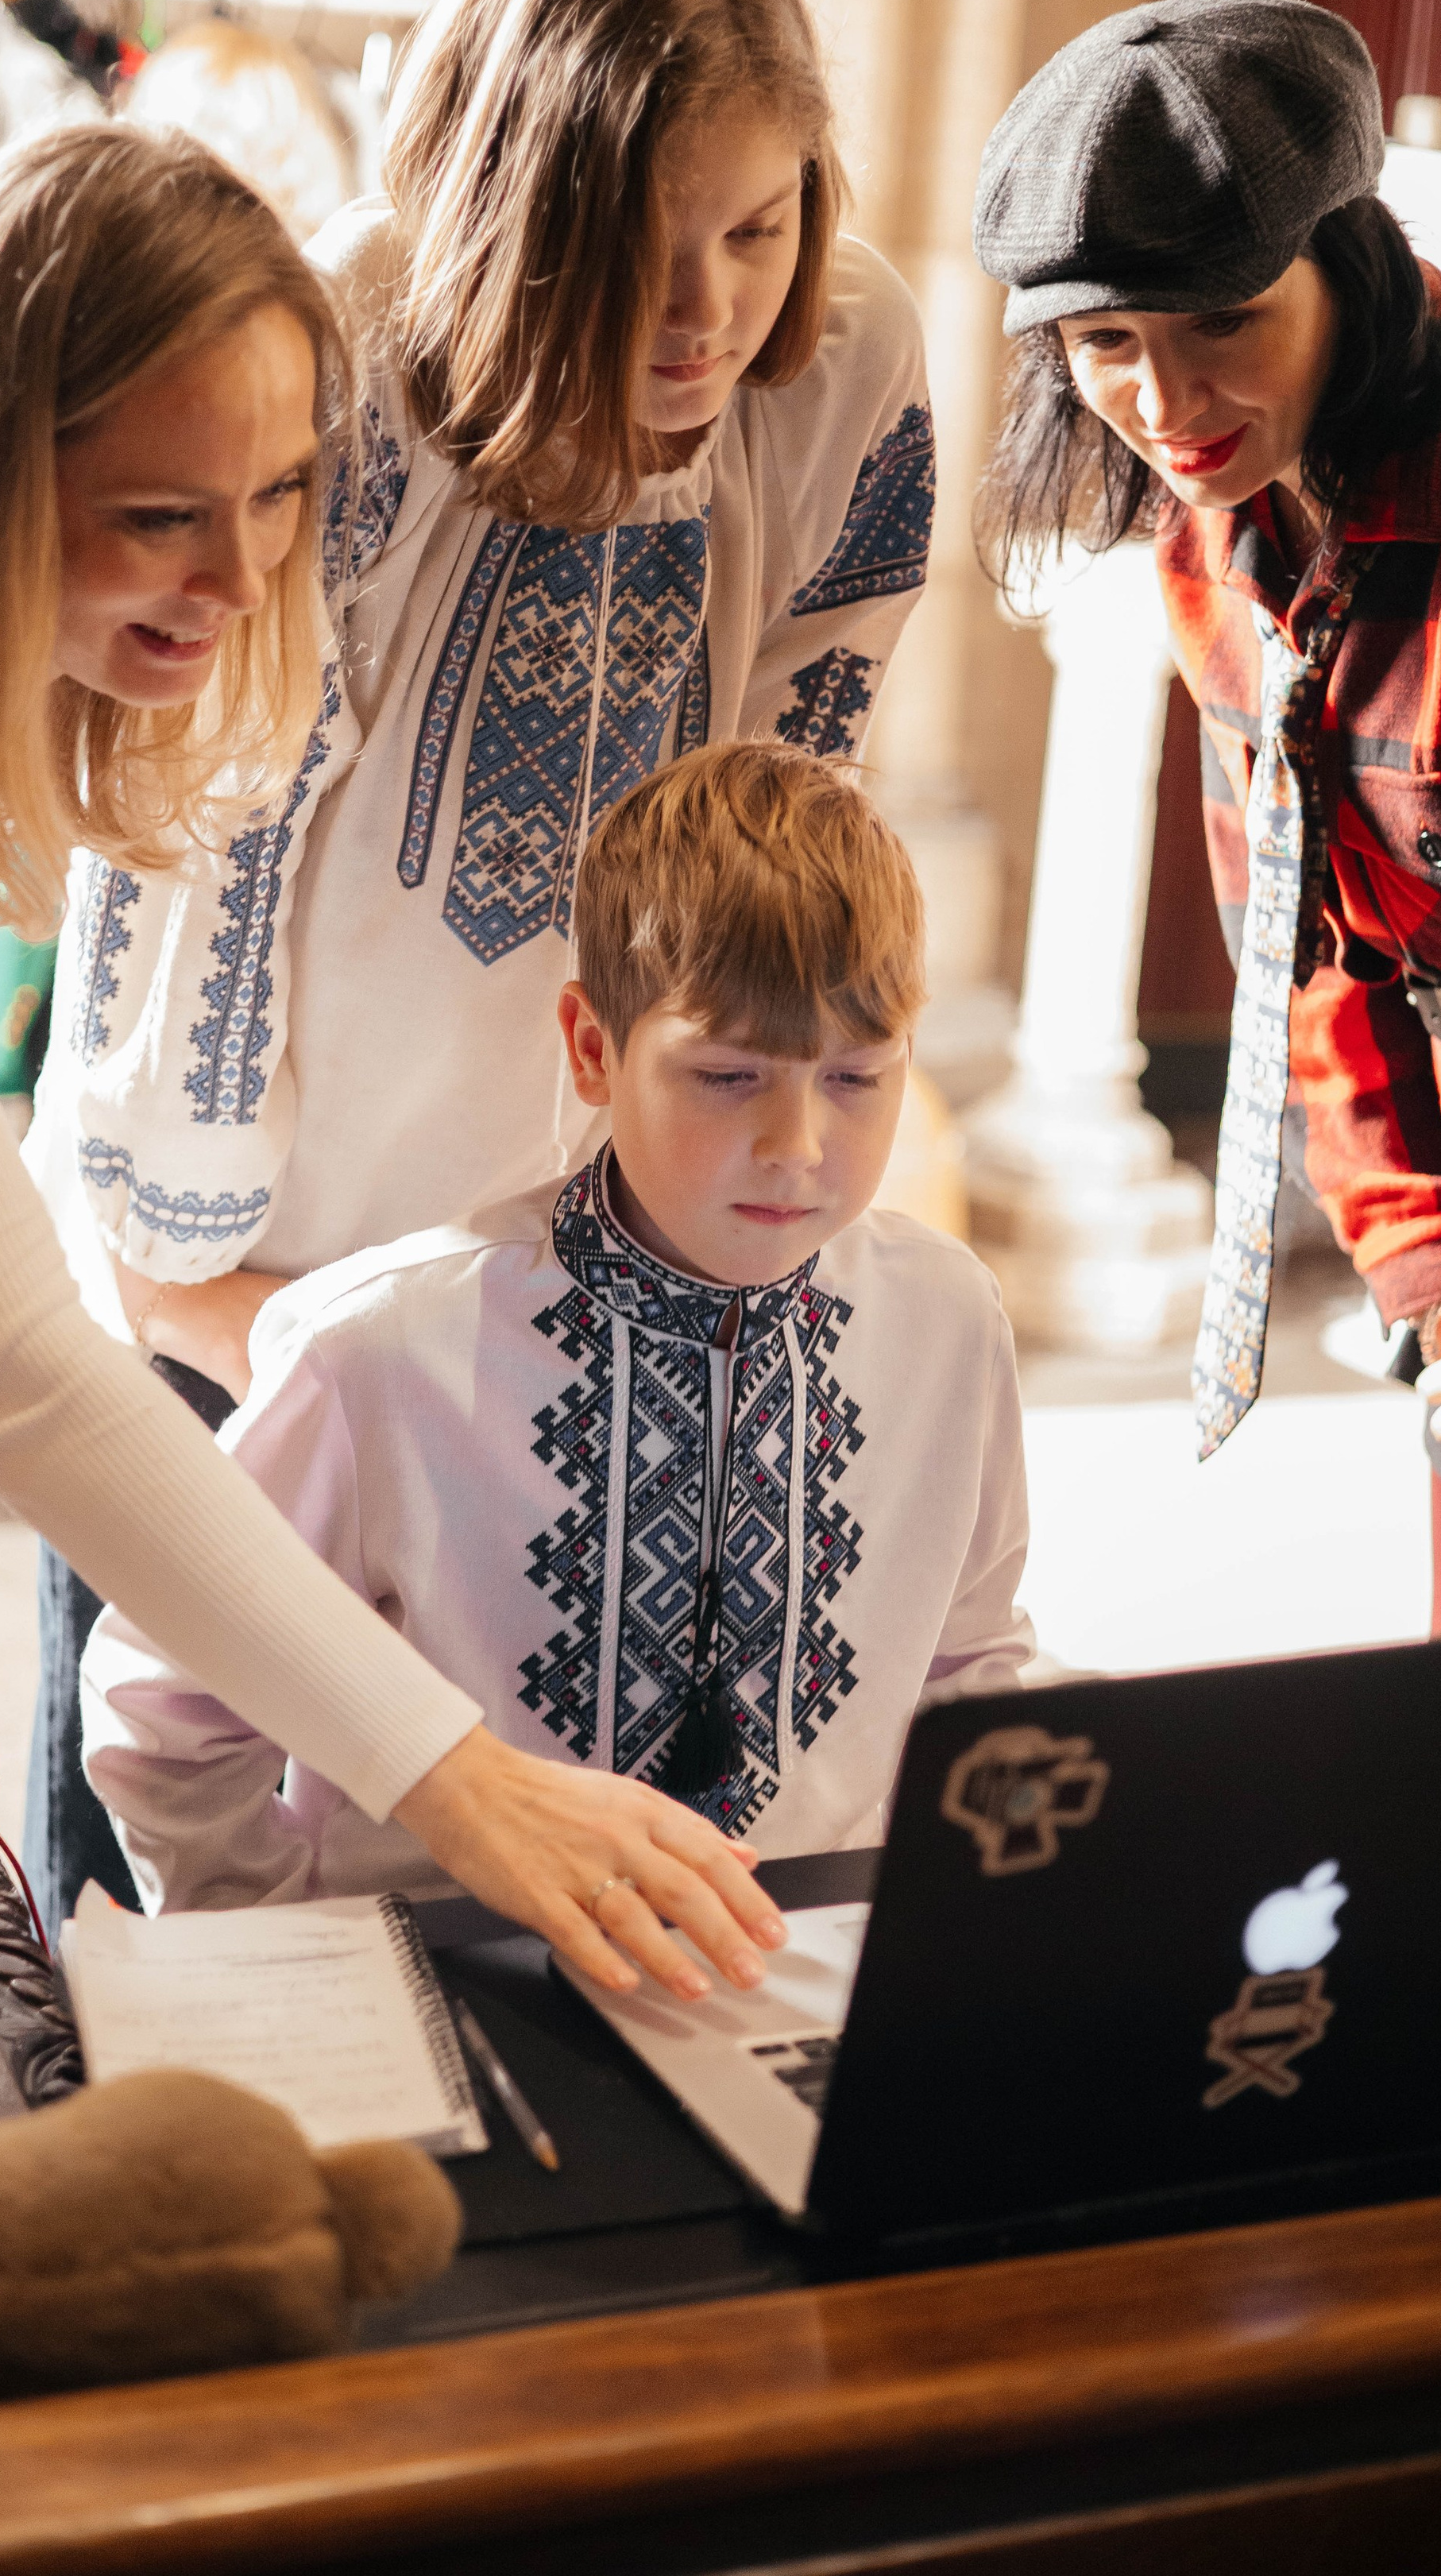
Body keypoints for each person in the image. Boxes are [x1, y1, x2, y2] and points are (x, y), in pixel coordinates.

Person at [0, 119, 782, 2005]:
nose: (237, 575)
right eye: (159, 513)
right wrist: (463, 1779)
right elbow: (13, 1357)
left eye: (276, 496)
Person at [25, 0, 937, 1922]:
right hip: (251, 1275)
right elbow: (194, 859)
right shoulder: (334, 348)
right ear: (512, 215)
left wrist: (678, 1252)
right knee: (159, 1860)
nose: (709, 311)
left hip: (583, 1290)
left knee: (525, 1902)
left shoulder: (840, 353)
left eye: (759, 222)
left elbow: (789, 810)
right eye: (641, 246)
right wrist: (218, 1303)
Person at [81, 744, 1034, 1924]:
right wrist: (305, 1950)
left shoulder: (947, 1323)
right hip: (453, 1988)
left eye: (856, 1077)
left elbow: (972, 1668)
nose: (798, 1146)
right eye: (730, 1077)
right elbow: (168, 1704)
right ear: (593, 1049)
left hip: (807, 1979)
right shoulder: (377, 1354)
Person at [972, 0, 1441, 1635]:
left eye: (1218, 320)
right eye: (1101, 345)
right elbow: (1300, 973)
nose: (1162, 405)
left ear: (1340, 263)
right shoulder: (1207, 532)